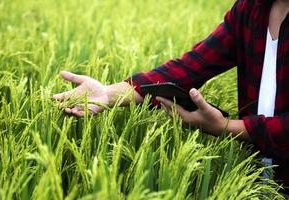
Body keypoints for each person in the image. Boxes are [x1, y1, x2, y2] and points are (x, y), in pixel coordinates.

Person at [53, 0, 289, 193]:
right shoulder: (250, 9)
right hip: (258, 181)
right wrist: (108, 93)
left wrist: (225, 127)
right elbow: (191, 67)